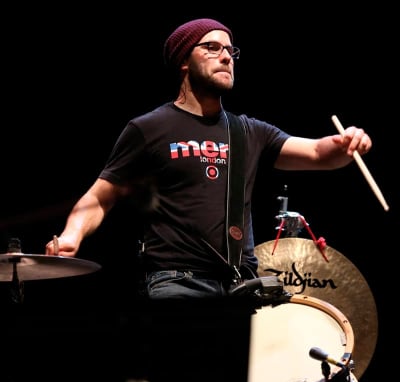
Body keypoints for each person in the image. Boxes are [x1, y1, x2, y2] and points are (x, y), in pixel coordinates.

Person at [45, 18, 372, 300]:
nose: (226, 57)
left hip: (239, 285)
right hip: (176, 282)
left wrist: (345, 144)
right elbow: (100, 196)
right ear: (184, 61)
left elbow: (317, 153)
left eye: (230, 50)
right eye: (212, 48)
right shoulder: (149, 128)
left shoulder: (248, 131)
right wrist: (72, 234)